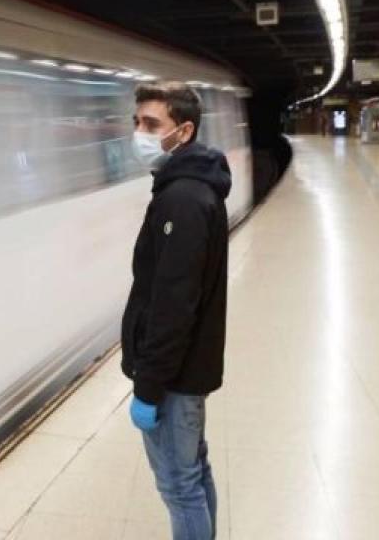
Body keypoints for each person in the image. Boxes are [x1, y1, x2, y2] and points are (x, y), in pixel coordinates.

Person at [121, 81, 231, 540]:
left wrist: (148, 387)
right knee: (193, 472)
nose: (140, 133)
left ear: (183, 132)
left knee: (178, 486)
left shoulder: (181, 200)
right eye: (137, 122)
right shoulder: (194, 188)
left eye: (152, 124)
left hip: (173, 379)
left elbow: (173, 305)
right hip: (187, 372)